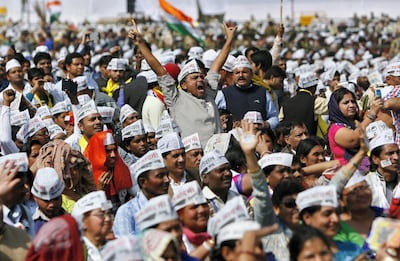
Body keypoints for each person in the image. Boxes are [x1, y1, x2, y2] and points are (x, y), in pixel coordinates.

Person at [128, 21, 236, 146]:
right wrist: (140, 42)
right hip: (192, 160)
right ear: (184, 85)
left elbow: (217, 65)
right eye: (194, 78)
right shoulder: (176, 98)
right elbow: (159, 69)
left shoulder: (209, 92)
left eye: (201, 77)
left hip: (218, 158)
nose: (200, 80)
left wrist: (229, 39)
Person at [296, 185, 363, 260]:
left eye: (337, 213)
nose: (335, 219)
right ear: (307, 218)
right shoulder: (298, 252)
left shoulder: (353, 249)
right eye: (327, 214)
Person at [113, 149, 169, 236]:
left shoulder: (171, 204)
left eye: (167, 175)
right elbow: (127, 247)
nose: (167, 180)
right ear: (143, 182)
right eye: (160, 176)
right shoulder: (127, 212)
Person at [215, 55, 279, 129]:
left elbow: (274, 117)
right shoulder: (223, 94)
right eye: (237, 73)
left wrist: (264, 124)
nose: (241, 75)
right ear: (233, 75)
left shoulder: (263, 92)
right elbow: (213, 117)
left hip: (259, 137)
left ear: (251, 74)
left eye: (244, 72)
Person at [328, 87, 382, 165]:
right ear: (336, 107)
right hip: (347, 172)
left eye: (353, 102)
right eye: (346, 103)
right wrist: (372, 113)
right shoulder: (335, 128)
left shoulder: (357, 122)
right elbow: (353, 139)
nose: (352, 105)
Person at [84, 131, 133, 212]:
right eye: (107, 151)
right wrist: (100, 191)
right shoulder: (86, 178)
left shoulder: (122, 170)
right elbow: (92, 213)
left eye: (114, 150)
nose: (113, 155)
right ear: (97, 153)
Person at [72, 191, 113, 261]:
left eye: (109, 214)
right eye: (101, 214)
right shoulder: (76, 252)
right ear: (83, 221)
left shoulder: (117, 246)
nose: (108, 219)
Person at [31, 167, 66, 234]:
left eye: (56, 199)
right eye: (46, 201)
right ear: (35, 197)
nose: (52, 204)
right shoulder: (30, 225)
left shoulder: (73, 220)